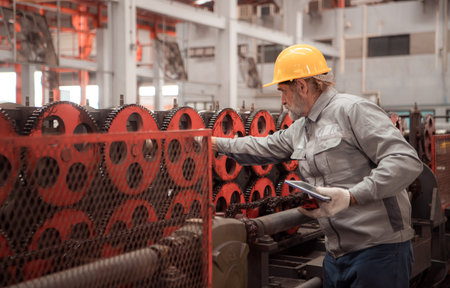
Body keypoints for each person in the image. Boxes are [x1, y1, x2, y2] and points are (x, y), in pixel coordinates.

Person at [211, 44, 423, 288]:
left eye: (283, 91)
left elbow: (405, 161)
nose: (282, 101)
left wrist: (351, 196)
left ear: (302, 85)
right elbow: (264, 147)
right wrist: (215, 143)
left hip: (379, 252)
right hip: (335, 253)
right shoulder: (302, 128)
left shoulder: (352, 110)